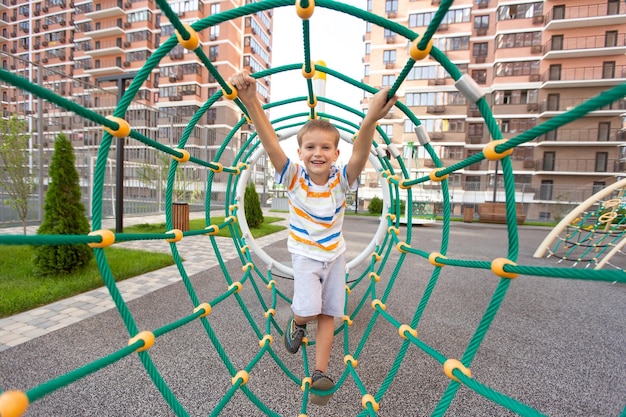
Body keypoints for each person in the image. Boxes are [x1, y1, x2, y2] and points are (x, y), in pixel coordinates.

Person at [228, 70, 397, 406]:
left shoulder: (342, 180)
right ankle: (297, 320)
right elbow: (270, 142)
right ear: (300, 151)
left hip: (335, 256)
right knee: (309, 307)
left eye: (325, 147)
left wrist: (372, 119)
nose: (317, 152)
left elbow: (362, 151)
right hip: (305, 255)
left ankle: (320, 371)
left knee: (330, 313)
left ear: (336, 153)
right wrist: (251, 102)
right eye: (310, 147)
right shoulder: (293, 178)